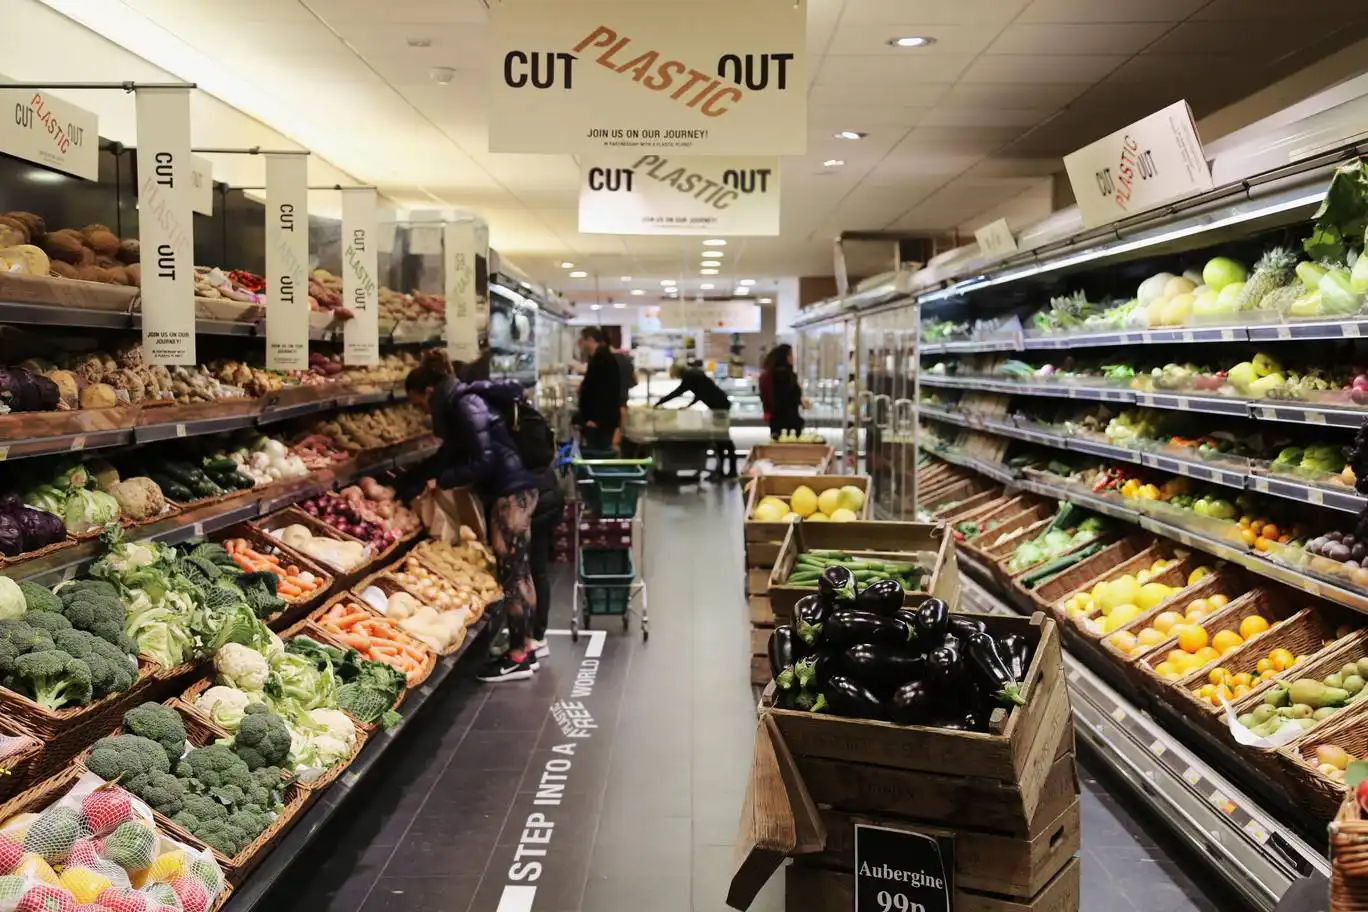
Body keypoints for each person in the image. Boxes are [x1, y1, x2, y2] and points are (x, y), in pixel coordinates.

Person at [404, 351, 540, 684]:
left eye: (420, 404)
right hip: (513, 490)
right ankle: (526, 646)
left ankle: (520, 655)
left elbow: (486, 459)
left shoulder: (465, 404)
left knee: (514, 574)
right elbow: (455, 453)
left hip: (511, 494)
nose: (422, 412)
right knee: (518, 571)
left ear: (429, 391)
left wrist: (444, 480)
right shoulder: (460, 403)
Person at [655, 361, 736, 477]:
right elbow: (701, 392)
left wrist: (659, 402)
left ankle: (730, 470)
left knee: (723, 439)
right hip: (719, 405)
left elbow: (678, 392)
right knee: (720, 438)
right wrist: (688, 405)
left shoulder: (690, 376)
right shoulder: (694, 373)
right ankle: (722, 470)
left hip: (719, 407)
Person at [526, 464, 565, 659]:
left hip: (534, 501)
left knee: (531, 573)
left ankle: (531, 639)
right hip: (544, 496)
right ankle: (534, 636)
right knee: (536, 572)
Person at [576, 326, 623, 452]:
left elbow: (604, 393)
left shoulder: (602, 360)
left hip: (599, 422)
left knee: (598, 453)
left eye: (582, 340)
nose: (581, 344)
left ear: (590, 340)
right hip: (600, 420)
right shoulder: (600, 358)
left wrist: (595, 419)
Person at [759, 343, 808, 440]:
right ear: (784, 357)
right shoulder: (786, 375)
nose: (793, 358)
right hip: (789, 421)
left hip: (776, 420)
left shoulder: (770, 373)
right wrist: (799, 399)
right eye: (791, 355)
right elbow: (787, 397)